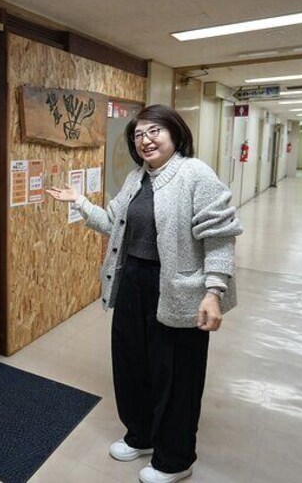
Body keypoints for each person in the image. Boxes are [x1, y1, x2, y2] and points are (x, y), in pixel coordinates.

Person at [47, 104, 242, 483]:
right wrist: (80, 203)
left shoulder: (195, 174)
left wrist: (213, 292)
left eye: (154, 131)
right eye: (138, 135)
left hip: (179, 288)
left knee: (176, 376)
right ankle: (141, 435)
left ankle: (175, 459)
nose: (145, 140)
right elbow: (112, 225)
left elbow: (219, 238)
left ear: (175, 133)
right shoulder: (136, 179)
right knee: (131, 363)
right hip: (133, 282)